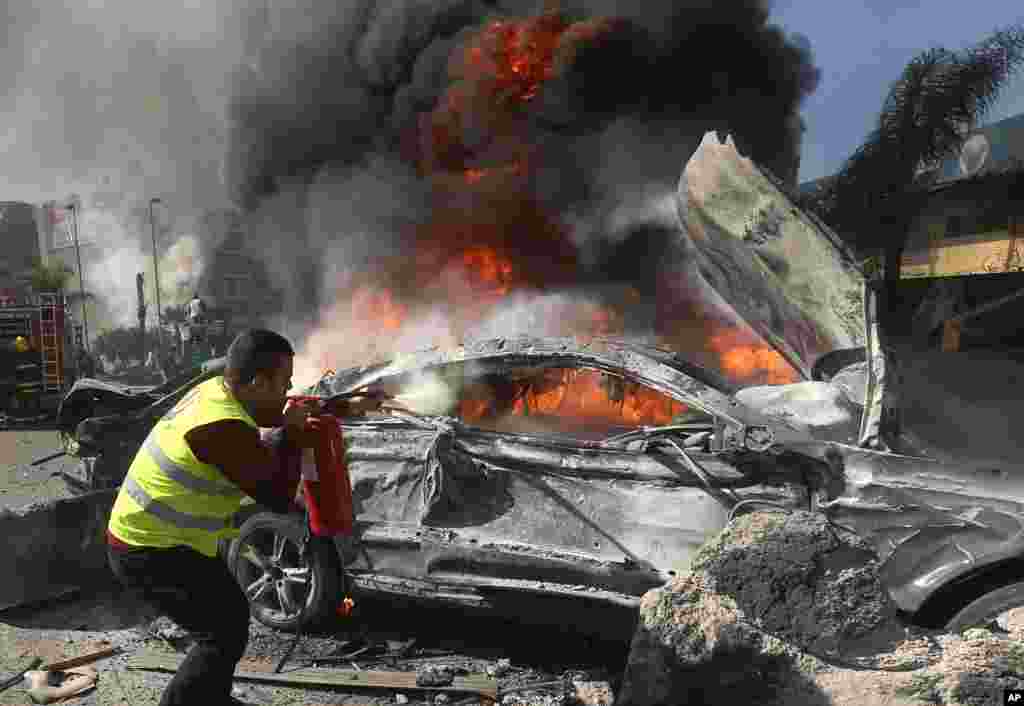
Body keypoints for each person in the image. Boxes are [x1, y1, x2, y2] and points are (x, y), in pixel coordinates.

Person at [105, 329, 380, 706]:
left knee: (229, 617)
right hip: (147, 547)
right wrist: (293, 435)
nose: (288, 390)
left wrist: (339, 407)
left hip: (167, 538)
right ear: (256, 381)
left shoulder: (217, 390)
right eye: (284, 382)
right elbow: (277, 495)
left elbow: (274, 413)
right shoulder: (220, 427)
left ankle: (210, 697)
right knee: (221, 632)